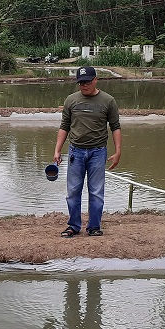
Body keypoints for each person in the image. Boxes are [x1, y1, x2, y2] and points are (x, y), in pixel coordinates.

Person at [53, 66, 121, 237]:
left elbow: (115, 127)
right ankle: (74, 226)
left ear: (95, 80)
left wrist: (118, 151)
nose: (84, 85)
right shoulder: (71, 100)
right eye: (81, 82)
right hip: (76, 152)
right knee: (73, 191)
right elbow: (64, 126)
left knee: (96, 191)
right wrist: (57, 150)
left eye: (87, 81)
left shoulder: (108, 101)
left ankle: (94, 226)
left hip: (98, 152)